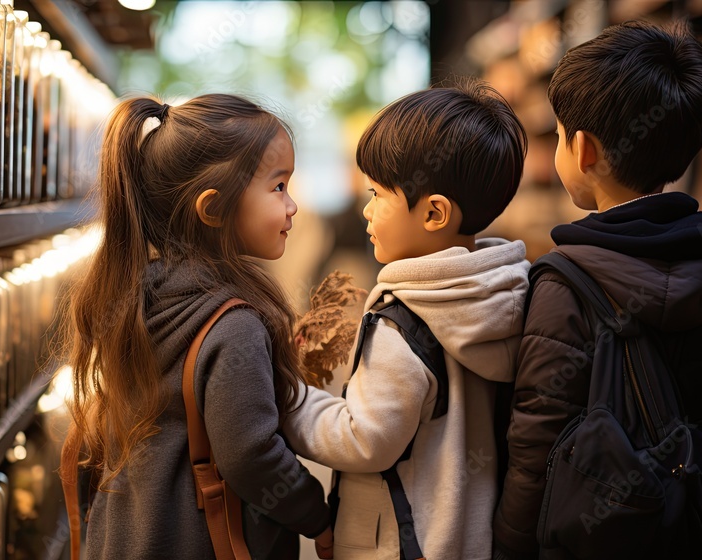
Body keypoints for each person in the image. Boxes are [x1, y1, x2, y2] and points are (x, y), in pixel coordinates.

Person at [493, 20, 702, 559]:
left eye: (555, 134)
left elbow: (535, 445)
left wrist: (508, 546)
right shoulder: (699, 258)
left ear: (584, 149)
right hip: (680, 521)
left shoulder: (565, 280)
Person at [63, 94, 333, 560]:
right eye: (279, 187)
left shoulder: (134, 295)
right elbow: (251, 456)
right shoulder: (235, 326)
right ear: (212, 209)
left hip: (124, 537)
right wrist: (318, 515)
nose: (293, 206)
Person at [283, 79, 530, 559]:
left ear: (434, 214)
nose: (366, 209)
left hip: (402, 542)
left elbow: (365, 440)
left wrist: (292, 402)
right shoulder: (508, 292)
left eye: (377, 194)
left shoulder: (402, 323)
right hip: (472, 538)